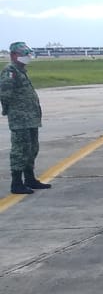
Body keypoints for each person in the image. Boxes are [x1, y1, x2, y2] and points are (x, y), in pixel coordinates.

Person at [2, 41, 50, 195]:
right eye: (24, 55)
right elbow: (4, 94)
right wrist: (11, 111)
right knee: (20, 150)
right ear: (14, 55)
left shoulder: (21, 70)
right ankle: (16, 183)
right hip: (20, 119)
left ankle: (30, 179)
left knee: (32, 149)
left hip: (30, 118)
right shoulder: (10, 71)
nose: (27, 57)